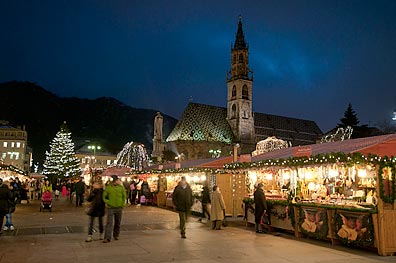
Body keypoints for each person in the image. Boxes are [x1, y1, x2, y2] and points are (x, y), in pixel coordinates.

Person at [102, 175, 126, 243]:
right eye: (118, 180)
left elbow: (124, 196)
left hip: (119, 207)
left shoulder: (121, 188)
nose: (119, 181)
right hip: (110, 208)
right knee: (109, 223)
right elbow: (104, 197)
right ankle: (107, 237)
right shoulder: (108, 188)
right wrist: (108, 202)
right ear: (114, 181)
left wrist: (122, 204)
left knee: (118, 222)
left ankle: (116, 235)